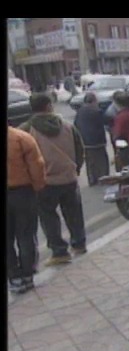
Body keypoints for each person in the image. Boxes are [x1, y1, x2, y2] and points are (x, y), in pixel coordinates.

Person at [19, 93, 87, 266]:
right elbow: (80, 150)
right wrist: (76, 168)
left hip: (45, 182)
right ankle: (79, 244)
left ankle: (59, 251)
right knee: (74, 213)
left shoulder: (26, 129)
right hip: (68, 177)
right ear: (49, 105)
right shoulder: (67, 126)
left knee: (48, 217)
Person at [7, 126, 47, 294]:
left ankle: (14, 276)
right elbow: (37, 165)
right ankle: (27, 275)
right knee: (25, 234)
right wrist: (38, 187)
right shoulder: (21, 138)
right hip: (22, 191)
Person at [74, 92, 109, 186]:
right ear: (94, 101)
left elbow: (76, 125)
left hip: (85, 141)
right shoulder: (97, 111)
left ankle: (92, 179)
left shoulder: (80, 111)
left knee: (90, 161)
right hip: (97, 141)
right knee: (101, 160)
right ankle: (103, 178)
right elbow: (105, 121)